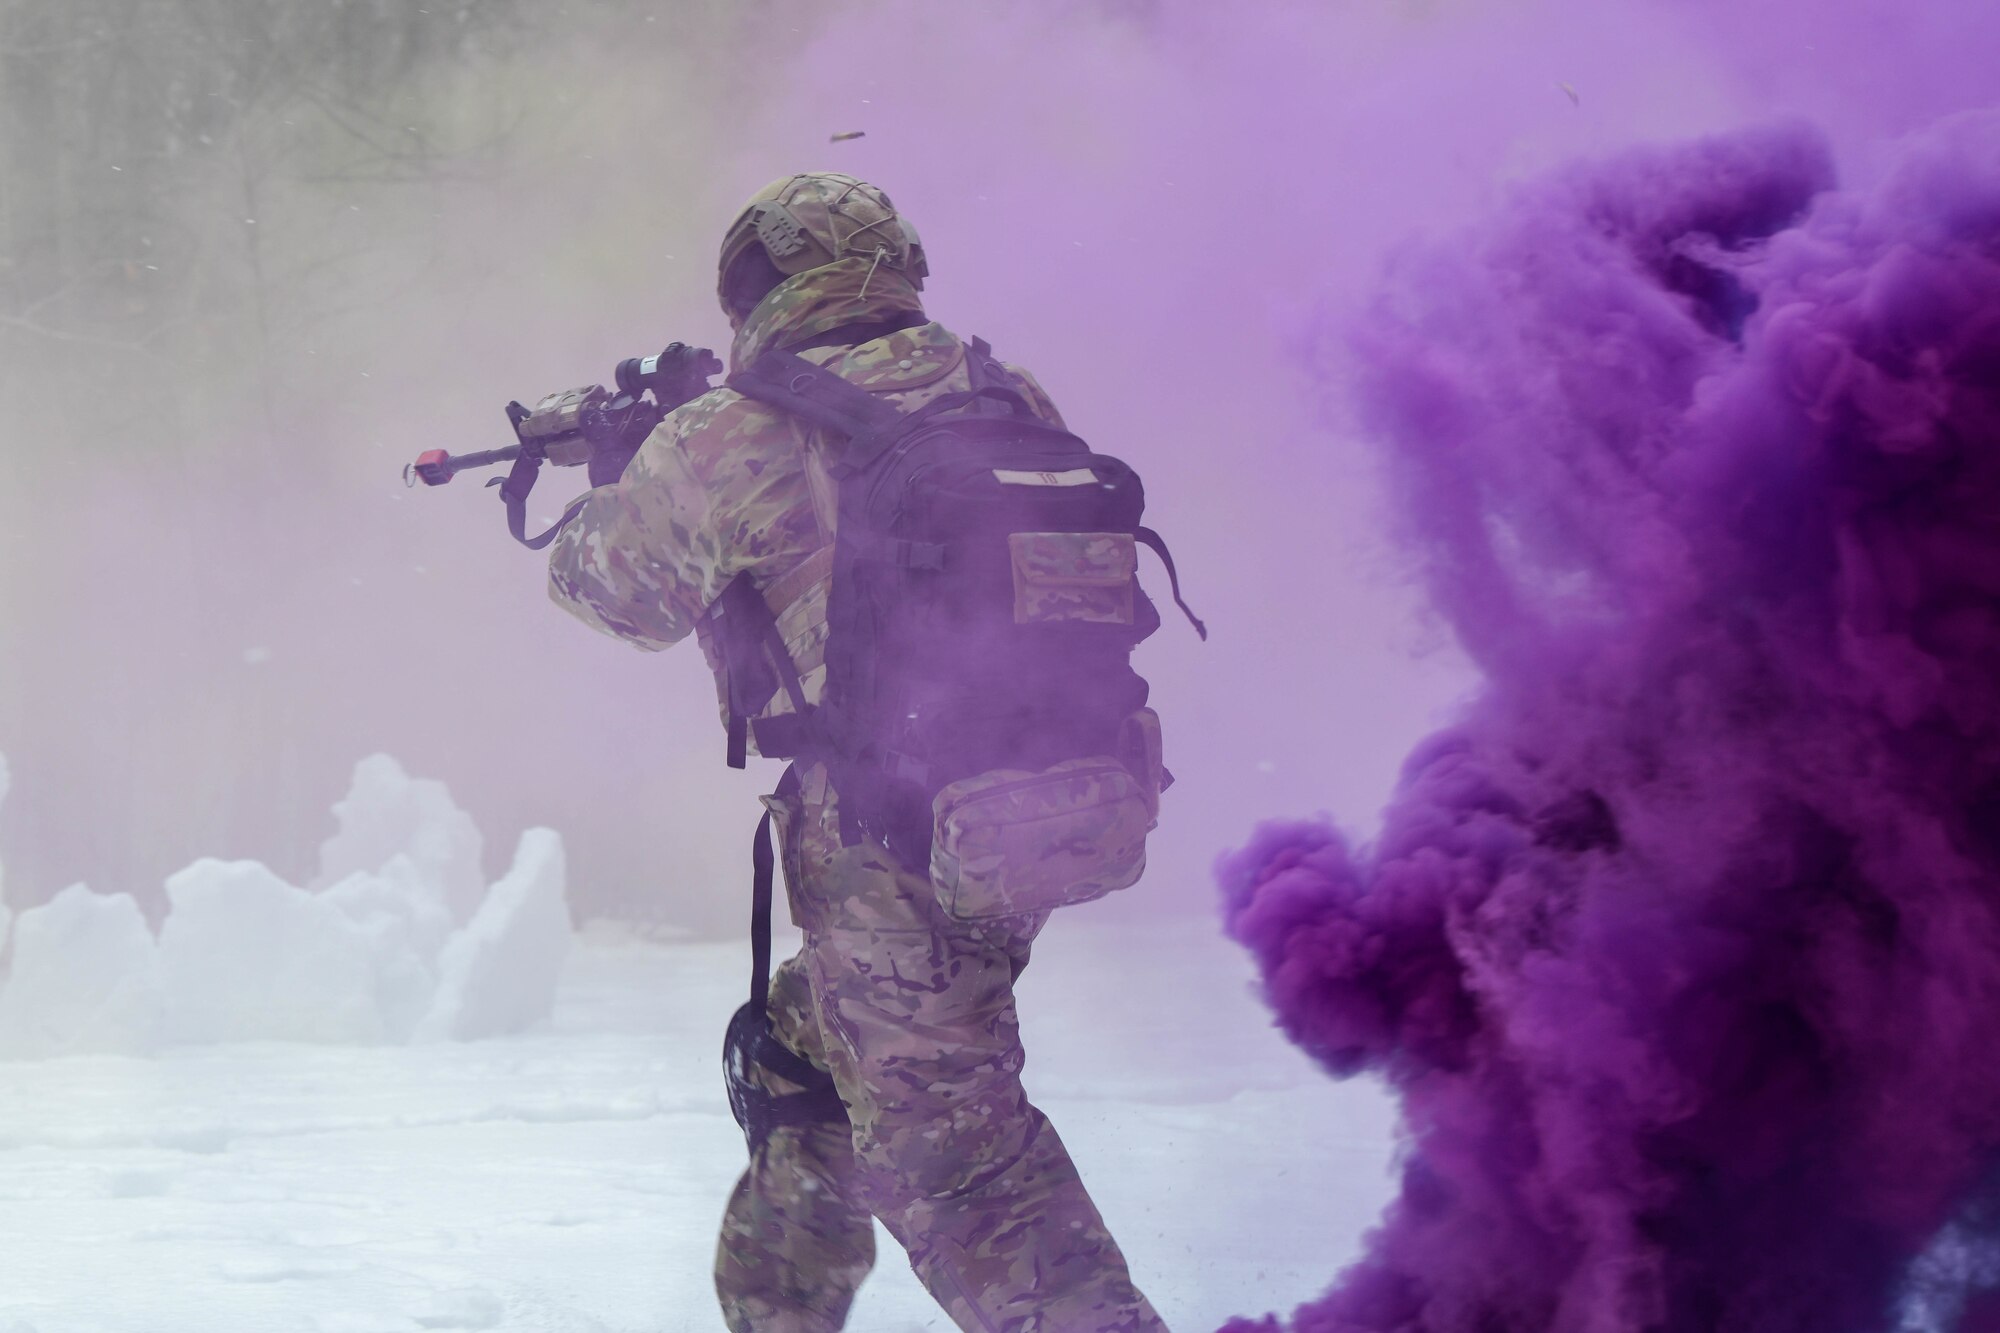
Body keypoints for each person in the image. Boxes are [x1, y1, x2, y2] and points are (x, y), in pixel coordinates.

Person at [547, 172, 1169, 1332]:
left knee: (967, 1179)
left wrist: (624, 462)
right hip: (1038, 807)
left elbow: (610, 592)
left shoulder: (728, 429)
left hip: (884, 835)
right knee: (799, 1062)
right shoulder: (998, 385)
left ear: (757, 285)